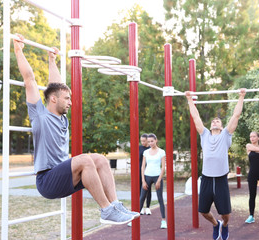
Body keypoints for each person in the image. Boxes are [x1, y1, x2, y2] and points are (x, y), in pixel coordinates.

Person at [13, 34, 139, 225]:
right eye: (67, 99)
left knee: (101, 160)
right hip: (47, 180)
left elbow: (57, 86)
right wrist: (18, 50)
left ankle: (114, 206)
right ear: (53, 99)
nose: (71, 102)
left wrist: (51, 59)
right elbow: (29, 80)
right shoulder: (39, 115)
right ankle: (105, 210)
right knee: (85, 159)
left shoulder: (62, 117)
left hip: (65, 177)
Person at [186, 89, 246, 240]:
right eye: (213, 121)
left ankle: (224, 225)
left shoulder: (226, 134)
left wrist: (241, 96)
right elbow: (196, 117)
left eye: (217, 121)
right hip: (206, 178)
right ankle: (215, 224)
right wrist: (189, 99)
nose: (214, 122)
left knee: (226, 214)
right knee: (203, 212)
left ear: (221, 125)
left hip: (220, 179)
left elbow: (236, 115)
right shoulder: (204, 134)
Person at [139, 134, 167, 229]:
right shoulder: (146, 152)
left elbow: (163, 167)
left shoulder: (161, 152)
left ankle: (163, 220)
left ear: (156, 140)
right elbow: (143, 166)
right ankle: (135, 220)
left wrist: (159, 180)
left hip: (157, 177)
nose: (150, 143)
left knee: (160, 199)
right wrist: (143, 180)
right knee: (142, 198)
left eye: (152, 141)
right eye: (149, 141)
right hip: (147, 176)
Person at [139, 133, 152, 215]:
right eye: (141, 141)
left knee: (148, 189)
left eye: (144, 141)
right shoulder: (139, 148)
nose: (142, 142)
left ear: (147, 140)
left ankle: (148, 207)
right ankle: (141, 207)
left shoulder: (151, 149)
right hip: (139, 171)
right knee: (139, 189)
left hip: (148, 171)